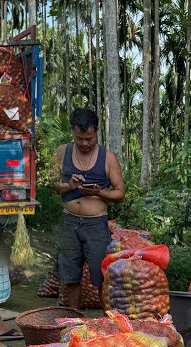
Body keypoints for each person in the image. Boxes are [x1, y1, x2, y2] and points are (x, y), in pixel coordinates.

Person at [49, 107, 126, 309]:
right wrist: (69, 187)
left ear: (96, 132)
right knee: (69, 275)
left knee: (101, 277)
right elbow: (53, 185)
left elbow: (120, 193)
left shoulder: (108, 158)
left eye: (89, 139)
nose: (84, 143)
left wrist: (99, 193)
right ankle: (73, 320)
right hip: (69, 222)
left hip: (96, 225)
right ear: (73, 132)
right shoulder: (62, 152)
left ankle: (106, 323)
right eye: (79, 138)